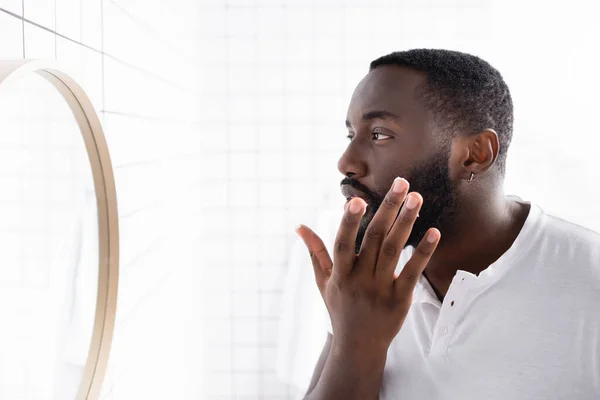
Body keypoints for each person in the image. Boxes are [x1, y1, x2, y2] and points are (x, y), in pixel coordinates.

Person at [294, 49, 600, 400]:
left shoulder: (590, 280)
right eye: (352, 135)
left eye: (379, 134)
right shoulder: (361, 284)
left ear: (475, 154)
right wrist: (355, 344)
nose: (346, 162)